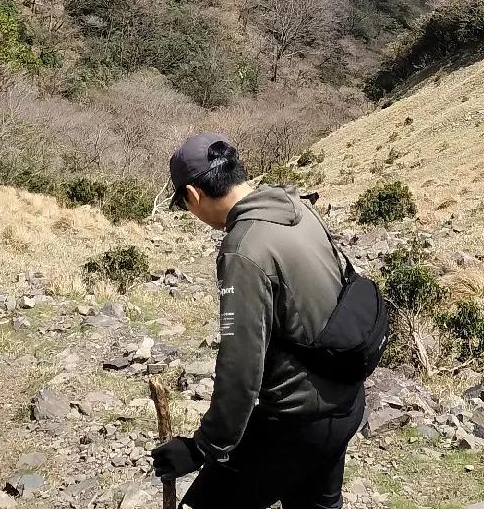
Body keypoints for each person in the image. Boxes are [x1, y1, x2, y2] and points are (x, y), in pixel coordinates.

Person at [152, 132, 367, 509]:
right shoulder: (296, 209)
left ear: (194, 194)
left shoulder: (244, 248)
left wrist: (203, 447)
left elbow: (241, 367)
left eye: (184, 204)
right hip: (345, 401)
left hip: (296, 422)